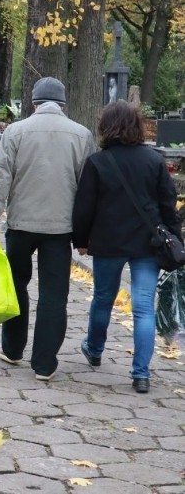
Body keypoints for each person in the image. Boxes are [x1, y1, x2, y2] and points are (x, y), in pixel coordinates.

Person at [0, 76, 95, 381]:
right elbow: (88, 189)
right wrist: (86, 232)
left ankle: (13, 350)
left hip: (21, 224)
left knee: (16, 285)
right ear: (63, 104)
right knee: (54, 294)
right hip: (60, 228)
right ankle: (44, 364)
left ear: (34, 103)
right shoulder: (82, 135)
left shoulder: (15, 132)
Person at [72, 101, 180, 393]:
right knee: (143, 308)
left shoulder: (97, 162)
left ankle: (94, 348)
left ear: (106, 127)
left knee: (103, 298)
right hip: (148, 243)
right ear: (137, 125)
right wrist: (175, 236)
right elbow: (168, 204)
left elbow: (84, 208)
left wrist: (81, 240)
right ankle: (141, 373)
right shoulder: (154, 160)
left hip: (109, 243)